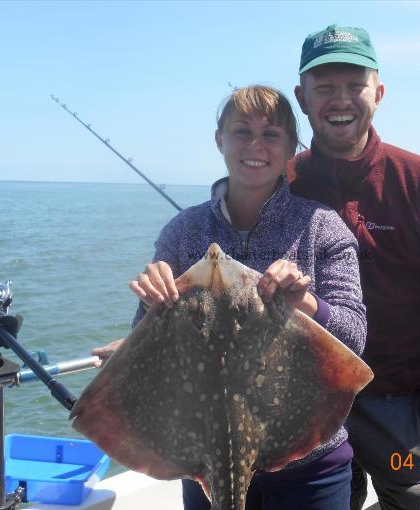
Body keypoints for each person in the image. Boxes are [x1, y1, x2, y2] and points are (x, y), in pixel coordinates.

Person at [94, 85, 367, 510]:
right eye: (242, 132)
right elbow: (145, 345)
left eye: (271, 134)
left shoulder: (321, 228)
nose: (255, 145)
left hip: (309, 461)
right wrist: (152, 302)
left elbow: (355, 337)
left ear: (291, 148)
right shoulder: (183, 232)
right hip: (204, 459)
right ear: (219, 140)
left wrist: (306, 303)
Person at [286, 24, 420, 510]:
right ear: (302, 97)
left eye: (354, 85)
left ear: (378, 93)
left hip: (405, 408)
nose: (341, 100)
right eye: (324, 87)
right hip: (307, 411)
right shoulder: (282, 184)